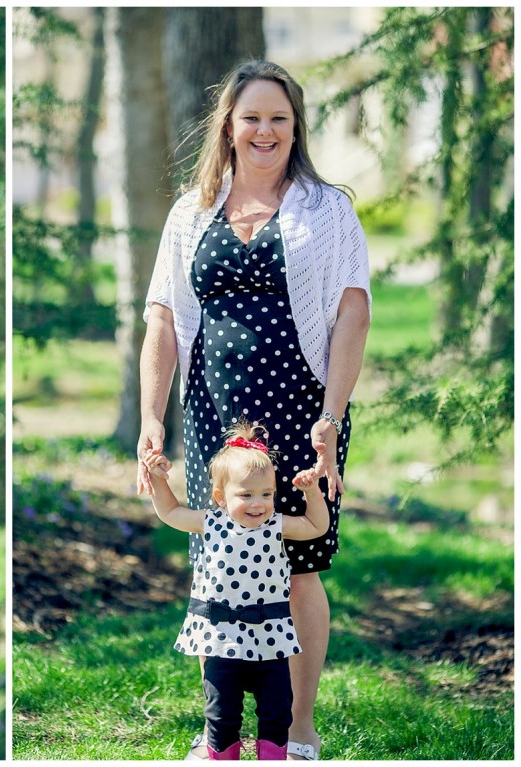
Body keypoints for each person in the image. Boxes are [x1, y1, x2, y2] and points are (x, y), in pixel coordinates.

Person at [138, 59, 371, 761]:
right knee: (222, 565)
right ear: (229, 128)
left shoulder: (325, 209)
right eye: (251, 117)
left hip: (301, 410)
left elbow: (352, 311)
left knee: (297, 564)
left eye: (278, 117)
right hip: (215, 416)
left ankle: (296, 731)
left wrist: (331, 413)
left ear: (295, 126)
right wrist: (153, 416)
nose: (265, 130)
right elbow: (163, 320)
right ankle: (223, 736)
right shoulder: (192, 210)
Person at [143, 422, 328, 760]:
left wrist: (312, 493)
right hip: (220, 640)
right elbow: (169, 511)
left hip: (270, 638)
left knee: (276, 713)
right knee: (222, 714)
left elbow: (317, 527)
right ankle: (221, 755)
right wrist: (158, 478)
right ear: (220, 497)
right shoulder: (209, 522)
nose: (258, 504)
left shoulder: (277, 525)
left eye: (266, 494)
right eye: (246, 495)